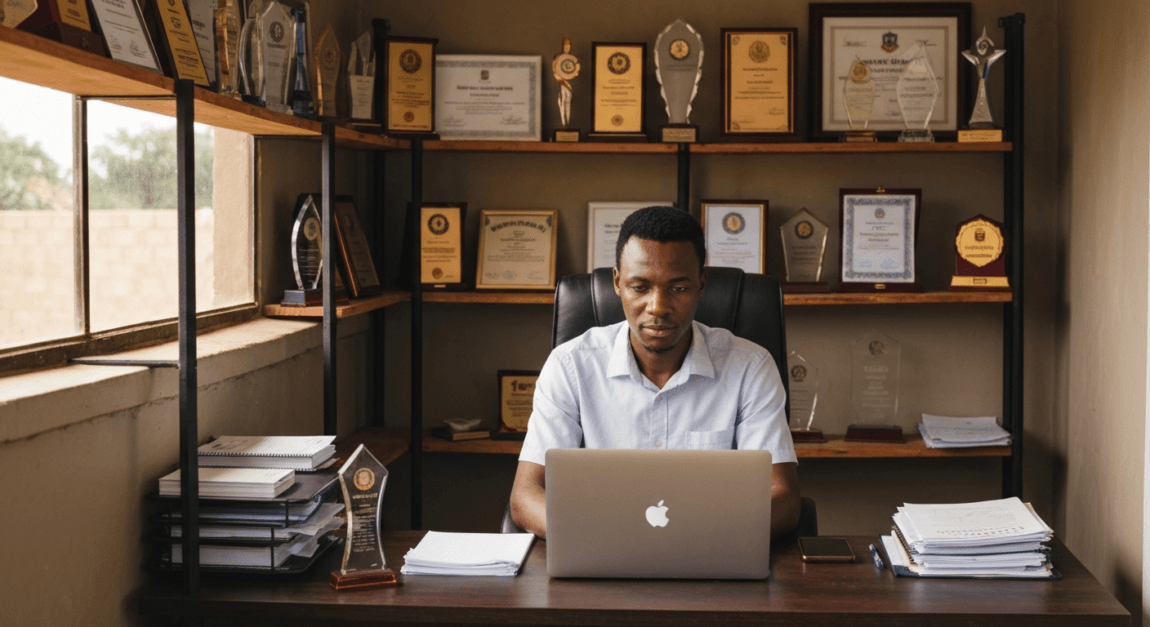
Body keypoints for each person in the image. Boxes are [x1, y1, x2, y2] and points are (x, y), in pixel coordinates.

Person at [511, 206, 800, 539]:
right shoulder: (570, 365)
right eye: (640, 287)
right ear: (617, 282)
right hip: (602, 554)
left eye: (678, 288)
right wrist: (605, 540)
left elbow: (783, 498)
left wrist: (688, 540)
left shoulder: (750, 367)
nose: (658, 307)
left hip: (709, 556)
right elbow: (526, 495)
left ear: (701, 284)